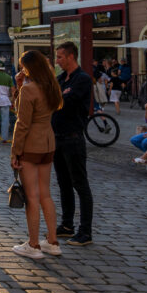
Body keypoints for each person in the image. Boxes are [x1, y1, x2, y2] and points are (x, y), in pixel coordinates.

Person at [9, 50, 62, 260]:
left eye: (23, 66)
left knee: (32, 197)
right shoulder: (51, 86)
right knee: (45, 194)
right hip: (48, 142)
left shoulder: (29, 90)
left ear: (29, 67)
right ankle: (52, 241)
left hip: (31, 144)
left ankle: (33, 244)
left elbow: (22, 123)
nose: (21, 69)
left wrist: (15, 151)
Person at [52, 41, 94, 246]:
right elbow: (52, 100)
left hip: (73, 138)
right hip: (57, 138)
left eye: (60, 57)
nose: (57, 60)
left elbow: (63, 103)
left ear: (70, 57)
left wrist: (58, 98)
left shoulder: (82, 79)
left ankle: (85, 231)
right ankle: (67, 224)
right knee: (63, 184)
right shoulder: (60, 79)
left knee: (80, 184)